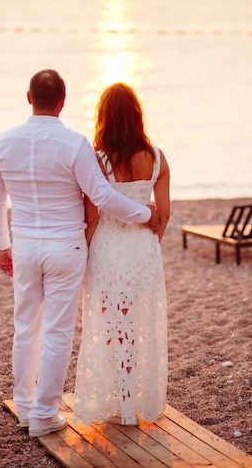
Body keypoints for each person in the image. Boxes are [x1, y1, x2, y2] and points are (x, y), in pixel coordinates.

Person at [0, 69, 159, 438]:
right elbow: (102, 196)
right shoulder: (74, 143)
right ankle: (45, 415)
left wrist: (2, 245)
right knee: (58, 332)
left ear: (28, 98)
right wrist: (145, 214)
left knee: (25, 327)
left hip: (27, 245)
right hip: (66, 246)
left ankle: (26, 408)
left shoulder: (2, 142)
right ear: (63, 102)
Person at [73, 82, 170, 425]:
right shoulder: (157, 157)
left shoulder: (98, 161)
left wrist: (82, 250)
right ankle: (133, 402)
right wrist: (148, 244)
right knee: (140, 323)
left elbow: (93, 214)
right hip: (144, 252)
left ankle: (121, 401)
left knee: (112, 326)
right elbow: (164, 213)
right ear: (136, 115)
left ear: (105, 118)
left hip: (109, 251)